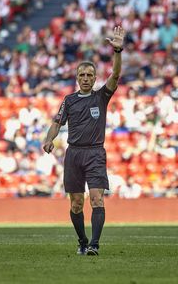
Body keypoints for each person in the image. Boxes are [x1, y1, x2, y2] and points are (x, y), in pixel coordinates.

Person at [43, 26, 125, 255]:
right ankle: (82, 241)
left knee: (97, 199)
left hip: (95, 153)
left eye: (90, 75)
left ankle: (95, 245)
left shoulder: (101, 97)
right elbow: (57, 123)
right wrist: (49, 140)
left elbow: (116, 75)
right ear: (77, 78)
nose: (86, 78)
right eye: (82, 75)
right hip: (74, 154)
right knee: (76, 203)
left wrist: (117, 51)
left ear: (95, 77)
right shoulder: (69, 101)